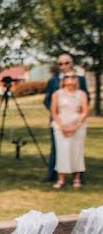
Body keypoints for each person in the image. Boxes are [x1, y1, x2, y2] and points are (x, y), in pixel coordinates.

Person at [43, 53, 89, 182]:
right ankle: (53, 175)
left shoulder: (81, 79)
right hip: (58, 120)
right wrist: (57, 114)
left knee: (77, 148)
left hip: (76, 120)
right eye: (60, 64)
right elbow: (47, 100)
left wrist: (77, 119)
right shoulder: (52, 81)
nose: (63, 66)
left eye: (66, 63)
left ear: (72, 63)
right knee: (56, 148)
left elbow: (86, 100)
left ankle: (78, 176)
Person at [50, 72, 89, 189]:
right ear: (63, 80)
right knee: (62, 152)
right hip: (61, 126)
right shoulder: (57, 94)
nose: (70, 79)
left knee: (76, 151)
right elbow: (54, 111)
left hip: (78, 126)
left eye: (73, 76)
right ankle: (61, 178)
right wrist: (61, 126)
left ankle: (77, 178)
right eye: (67, 77)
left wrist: (76, 126)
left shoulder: (81, 94)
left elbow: (85, 111)